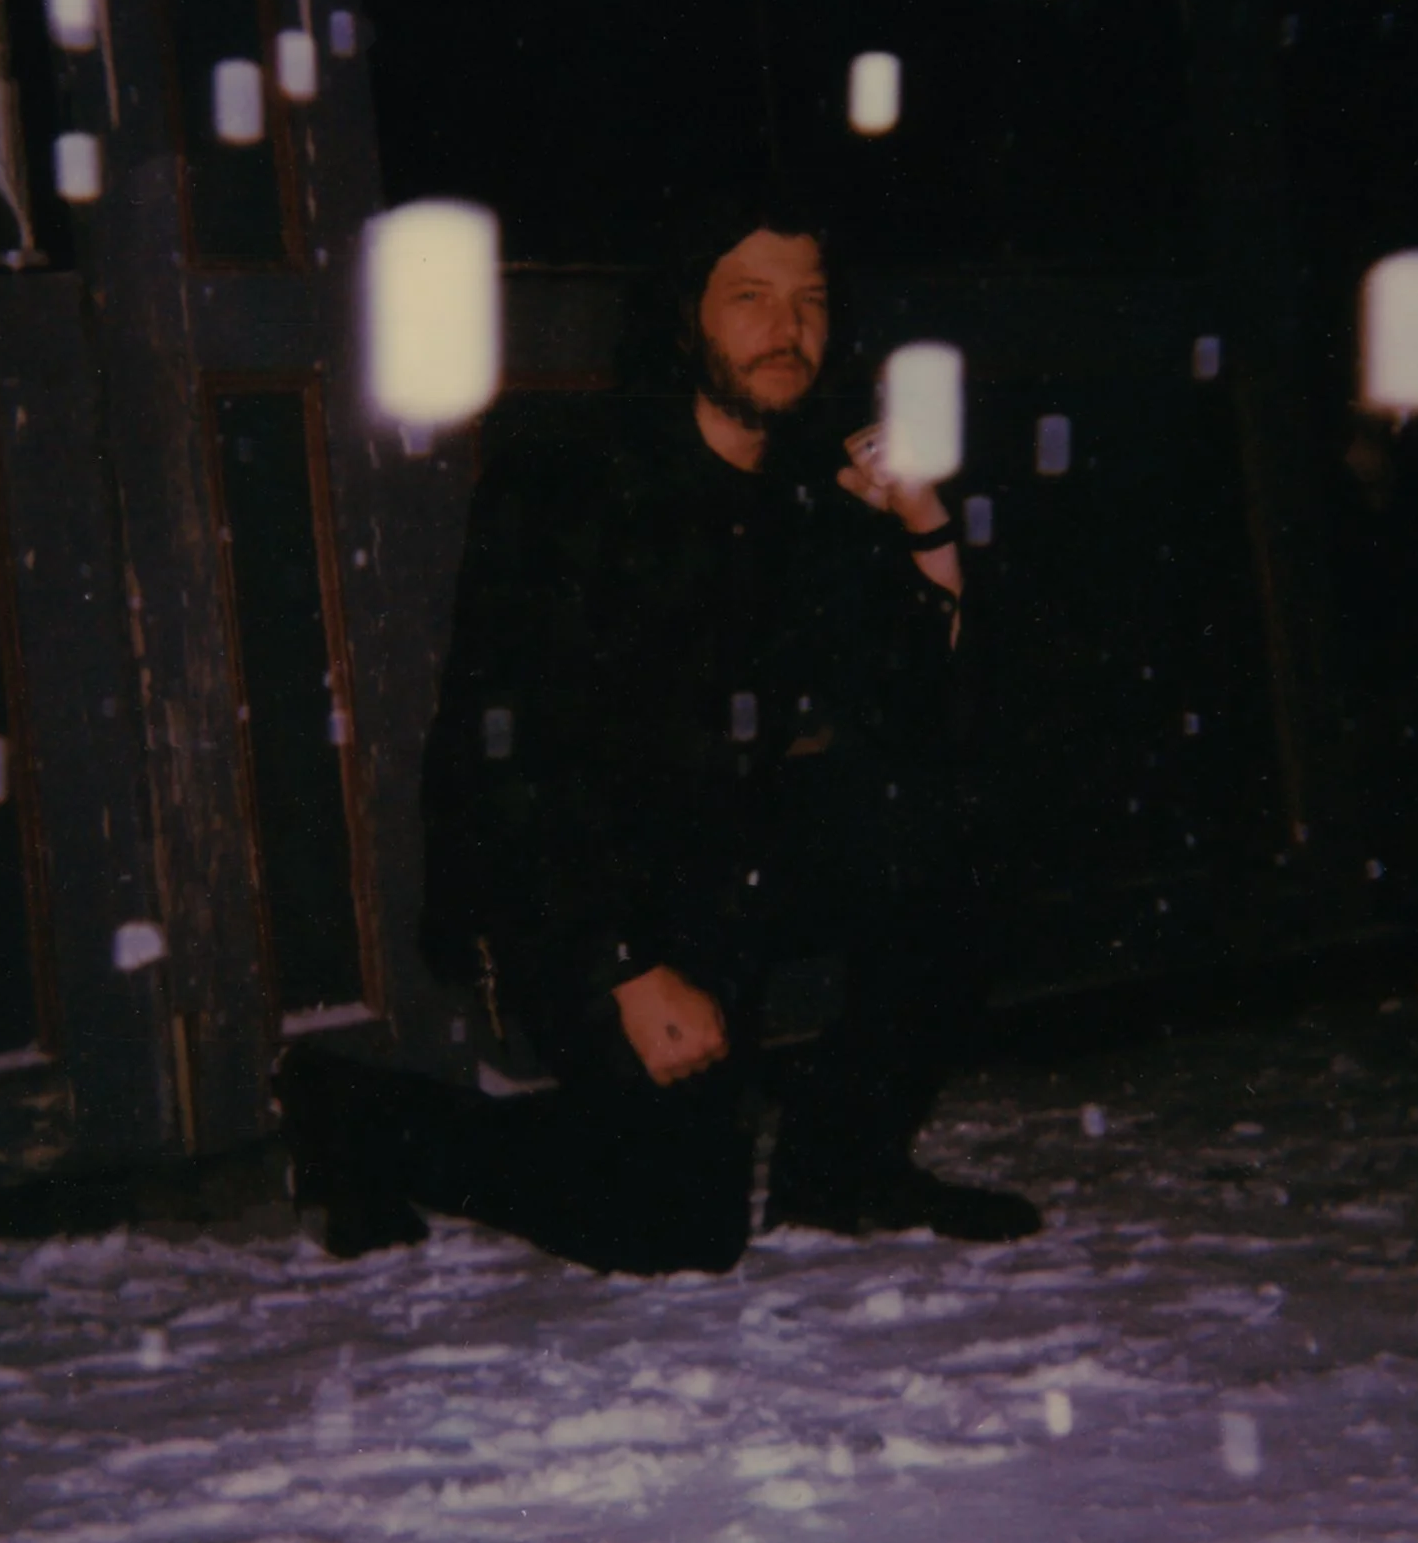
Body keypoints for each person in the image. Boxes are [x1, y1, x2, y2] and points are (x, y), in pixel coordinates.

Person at [280, 191, 1042, 1272]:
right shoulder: (570, 483)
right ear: (683, 315)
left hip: (722, 866)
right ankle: (355, 1111)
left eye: (809, 301)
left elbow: (928, 722)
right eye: (749, 298)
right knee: (673, 1225)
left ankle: (845, 1162)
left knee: (951, 821)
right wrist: (628, 967)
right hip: (574, 883)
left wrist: (922, 524)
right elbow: (509, 758)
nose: (788, 330)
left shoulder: (806, 496)